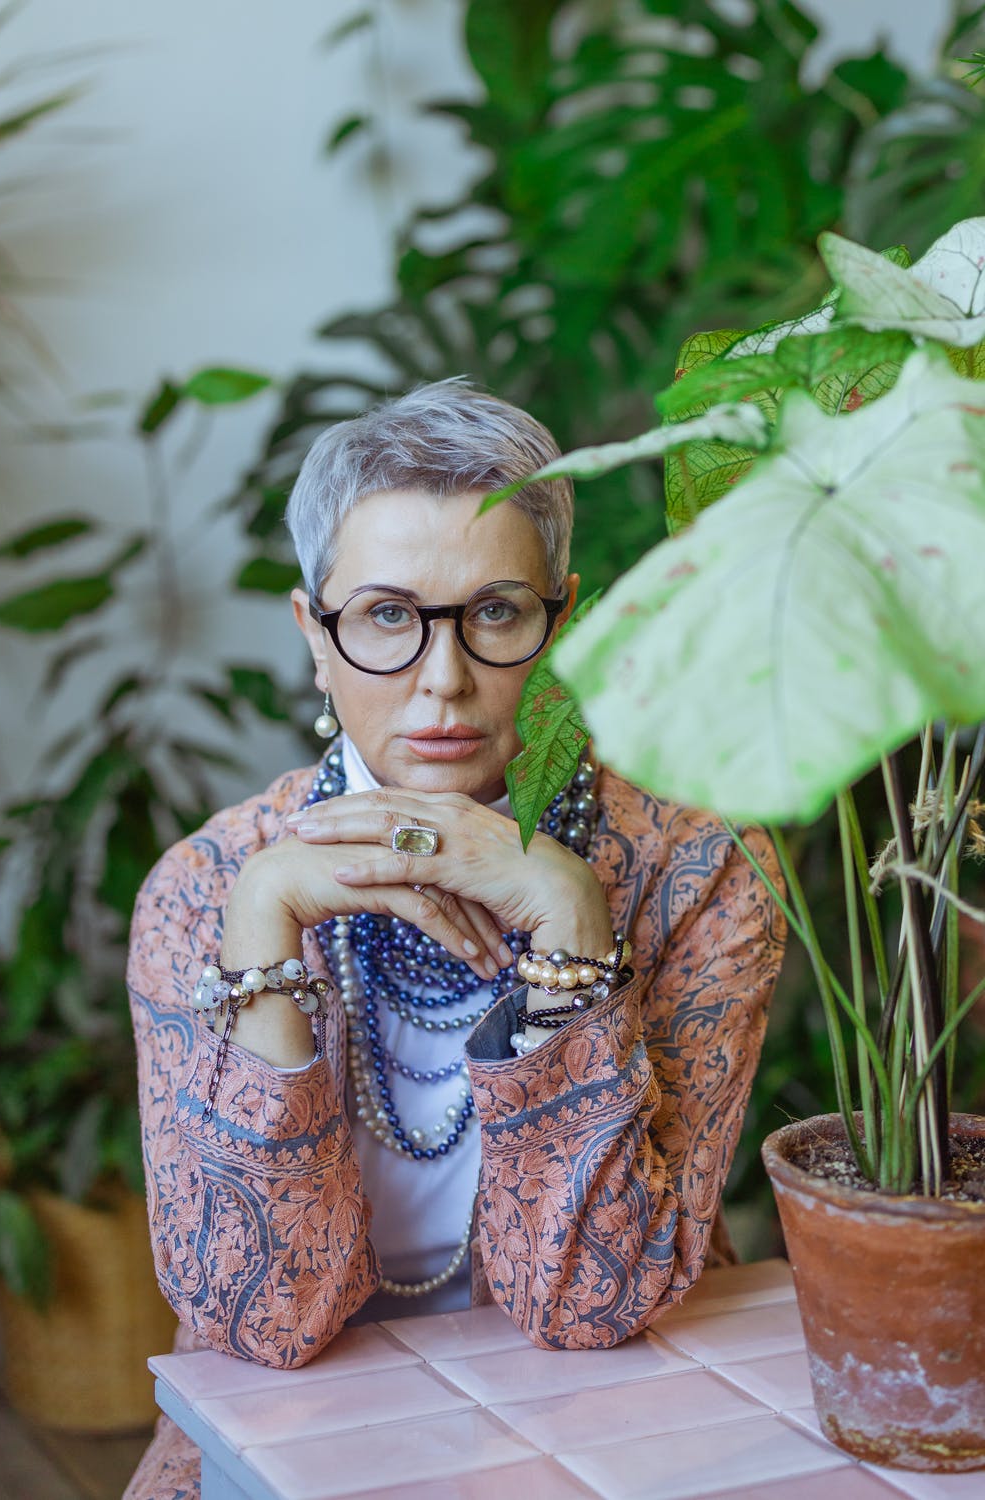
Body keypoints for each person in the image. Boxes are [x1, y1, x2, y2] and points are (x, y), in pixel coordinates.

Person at [124, 378, 785, 1499]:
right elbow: (260, 1323)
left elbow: (591, 1305)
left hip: (611, 1424)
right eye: (387, 616)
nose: (444, 680)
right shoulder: (205, 891)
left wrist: (571, 921)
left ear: (562, 622)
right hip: (283, 1443)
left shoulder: (701, 871)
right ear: (315, 637)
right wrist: (264, 928)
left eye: (495, 612)